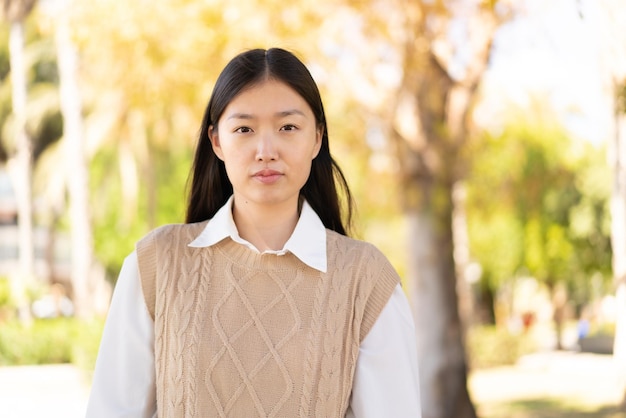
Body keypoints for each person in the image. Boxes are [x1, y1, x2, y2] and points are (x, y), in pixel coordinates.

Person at [86, 47, 421, 418]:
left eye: (288, 127)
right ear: (216, 141)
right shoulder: (157, 265)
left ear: (317, 138)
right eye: (244, 129)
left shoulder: (366, 281)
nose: (266, 150)